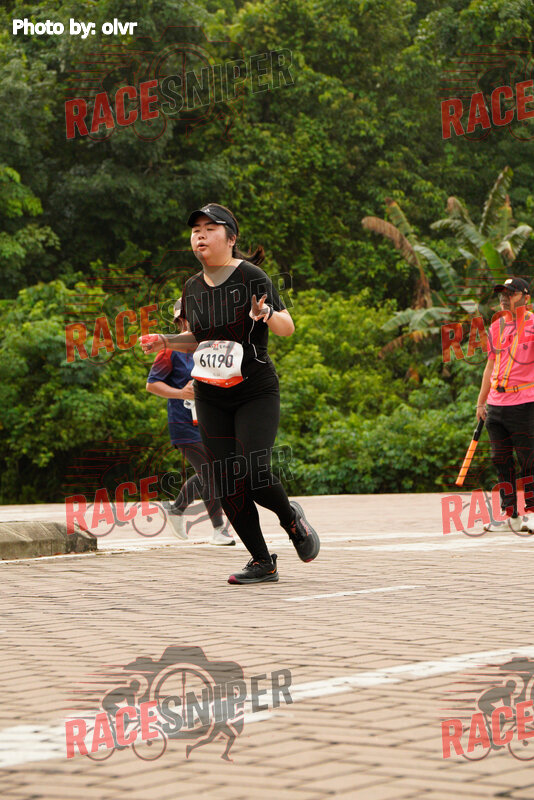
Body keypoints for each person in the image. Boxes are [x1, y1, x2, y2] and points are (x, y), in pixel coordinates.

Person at [141, 202, 320, 584]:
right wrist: (166, 341)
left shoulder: (251, 276)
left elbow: (287, 327)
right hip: (211, 395)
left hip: (254, 390)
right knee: (225, 479)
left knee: (253, 471)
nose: (201, 236)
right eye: (196, 230)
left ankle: (290, 519)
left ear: (231, 238)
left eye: (210, 229)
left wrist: (266, 315)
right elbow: (197, 339)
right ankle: (262, 562)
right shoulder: (192, 287)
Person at [145, 299, 234, 546]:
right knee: (209, 471)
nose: (189, 323)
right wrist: (180, 393)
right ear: (179, 322)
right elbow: (152, 384)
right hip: (183, 422)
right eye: (184, 319)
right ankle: (219, 529)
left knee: (213, 469)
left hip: (210, 420)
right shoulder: (169, 349)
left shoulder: (211, 347)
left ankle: (176, 509)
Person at [476, 277, 534, 533]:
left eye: (510, 293)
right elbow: (490, 366)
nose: (504, 298)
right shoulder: (496, 327)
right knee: (500, 460)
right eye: (502, 293)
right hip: (496, 404)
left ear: (525, 298)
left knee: (528, 460)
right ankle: (511, 515)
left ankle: (532, 512)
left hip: (525, 402)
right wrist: (481, 403)